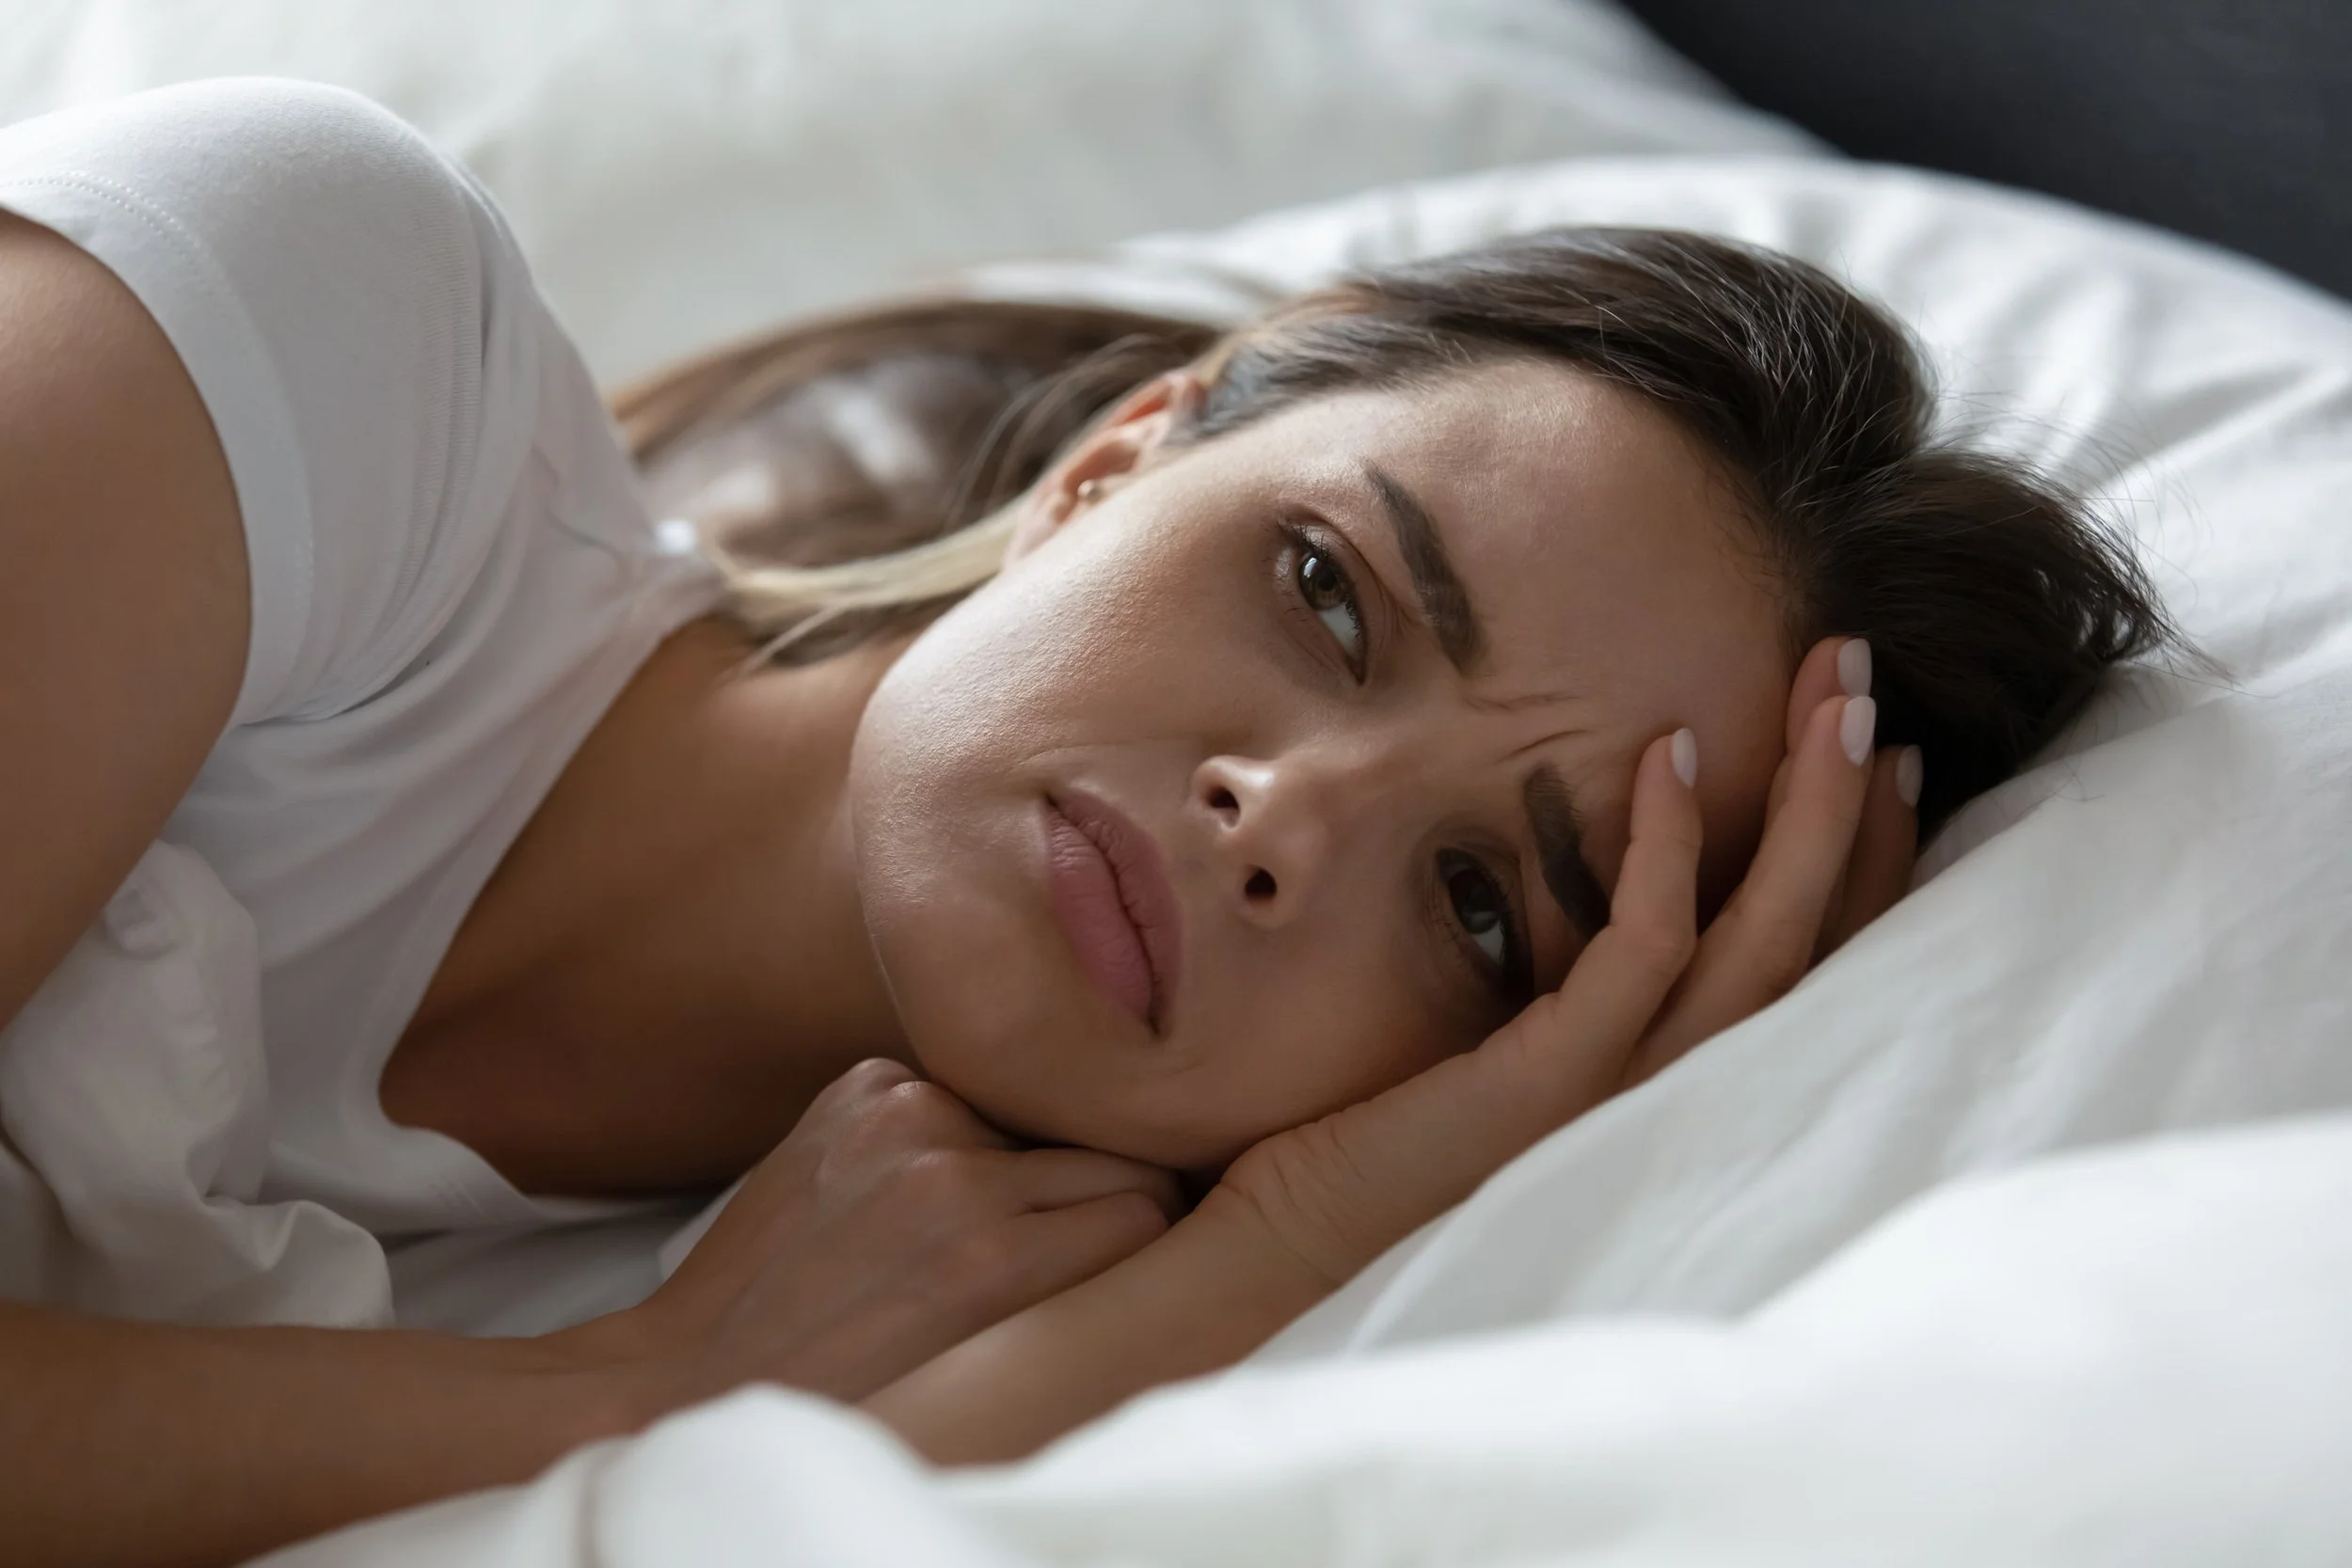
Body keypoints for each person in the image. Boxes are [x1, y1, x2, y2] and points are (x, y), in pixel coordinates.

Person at [0, 79, 2169, 1567]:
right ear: (1121, 457)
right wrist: (621, 1390)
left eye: (1484, 912)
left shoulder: (912, 1300)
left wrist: (1302, 1233)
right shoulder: (318, 346)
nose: (1278, 823)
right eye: (1328, 591)